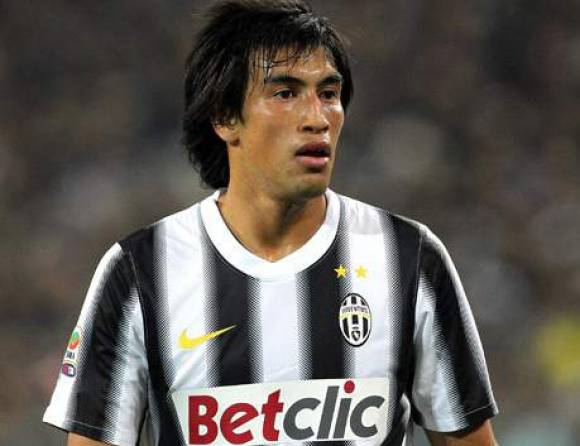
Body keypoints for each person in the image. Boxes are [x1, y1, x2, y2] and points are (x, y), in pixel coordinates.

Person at [43, 1, 499, 445]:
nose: (317, 118)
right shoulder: (140, 270)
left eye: (328, 94)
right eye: (285, 93)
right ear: (224, 116)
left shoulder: (408, 258)